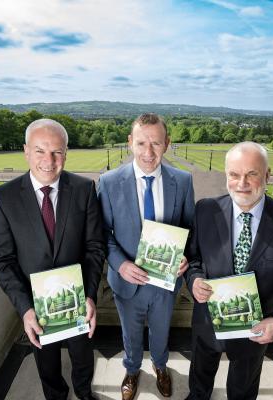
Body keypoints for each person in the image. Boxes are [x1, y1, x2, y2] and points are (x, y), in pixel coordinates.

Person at [184, 141, 273, 400]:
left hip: (255, 331)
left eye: (252, 174)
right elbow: (194, 258)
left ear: (267, 175)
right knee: (199, 384)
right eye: (234, 174)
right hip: (207, 322)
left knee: (242, 391)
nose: (241, 183)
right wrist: (194, 279)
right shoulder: (205, 209)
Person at [0, 118, 105, 400]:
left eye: (57, 152)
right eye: (40, 150)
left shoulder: (84, 189)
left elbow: (94, 247)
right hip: (35, 308)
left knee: (82, 356)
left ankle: (83, 392)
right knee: (47, 363)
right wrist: (25, 309)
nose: (48, 160)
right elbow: (2, 260)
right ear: (26, 151)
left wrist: (89, 295)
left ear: (66, 154)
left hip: (77, 302)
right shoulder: (3, 198)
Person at [98, 113, 194, 400]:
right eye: (141, 143)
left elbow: (190, 228)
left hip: (166, 282)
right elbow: (101, 232)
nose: (148, 152)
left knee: (161, 331)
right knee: (130, 333)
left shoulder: (184, 180)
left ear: (167, 143)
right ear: (130, 143)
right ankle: (131, 369)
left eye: (155, 143)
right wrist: (120, 264)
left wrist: (186, 257)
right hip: (127, 280)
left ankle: (161, 367)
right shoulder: (109, 181)